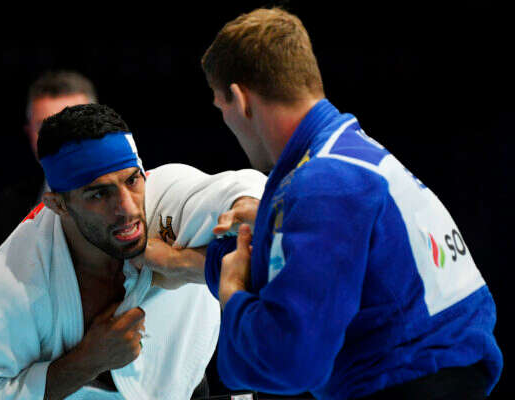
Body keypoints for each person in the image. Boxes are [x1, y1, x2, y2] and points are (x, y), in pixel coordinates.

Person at [199, 7, 502, 400]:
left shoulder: (326, 184)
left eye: (219, 107)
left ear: (241, 100)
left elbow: (290, 360)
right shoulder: (353, 157)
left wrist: (232, 293)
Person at [0, 103, 267, 399]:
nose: (127, 208)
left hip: (189, 388)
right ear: (58, 205)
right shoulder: (19, 279)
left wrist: (177, 262)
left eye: (132, 181)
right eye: (99, 194)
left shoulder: (166, 196)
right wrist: (89, 360)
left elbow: (242, 190)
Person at [0, 70, 97, 247]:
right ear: (29, 133)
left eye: (72, 124)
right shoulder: (12, 204)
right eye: (44, 127)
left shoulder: (135, 196)